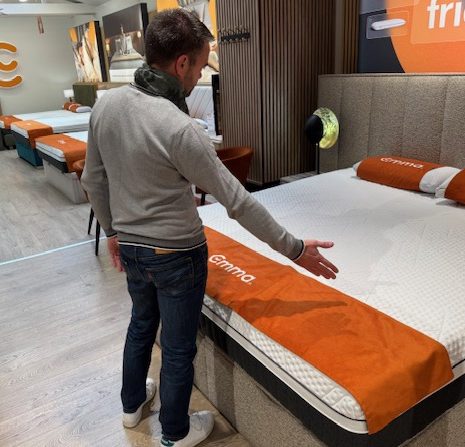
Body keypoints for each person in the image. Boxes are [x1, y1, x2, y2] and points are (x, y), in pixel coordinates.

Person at [81, 9, 338, 447]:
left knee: (141, 324)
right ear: (181, 63)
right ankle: (175, 433)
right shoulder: (179, 128)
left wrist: (112, 233)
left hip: (133, 249)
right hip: (177, 254)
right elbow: (237, 201)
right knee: (178, 348)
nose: (201, 73)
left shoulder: (106, 106)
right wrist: (294, 248)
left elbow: (93, 179)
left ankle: (131, 406)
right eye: (200, 65)